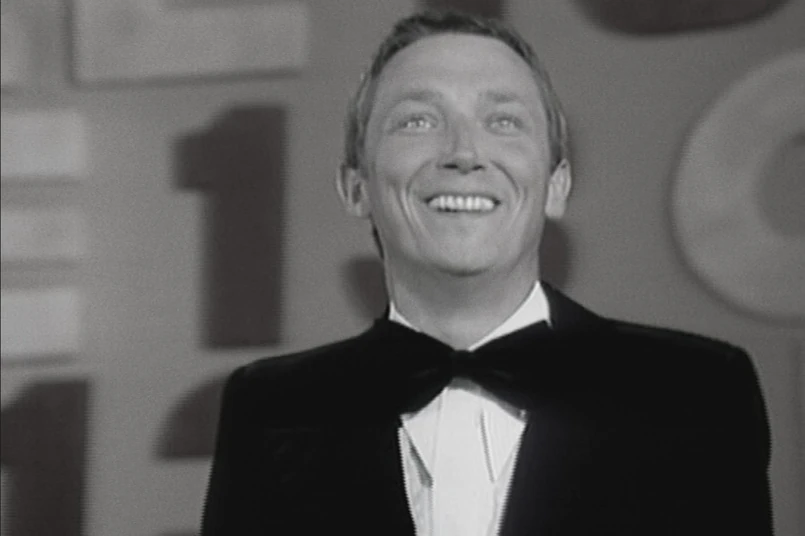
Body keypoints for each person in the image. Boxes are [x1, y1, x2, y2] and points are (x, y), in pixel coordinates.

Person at [200, 10, 773, 536]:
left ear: (557, 184)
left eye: (503, 121)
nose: (464, 152)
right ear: (356, 188)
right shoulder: (271, 409)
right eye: (418, 121)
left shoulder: (696, 395)